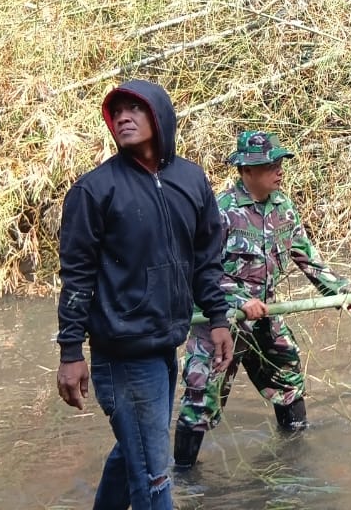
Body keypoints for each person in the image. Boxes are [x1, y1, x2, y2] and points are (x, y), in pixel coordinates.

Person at [56, 79, 233, 510]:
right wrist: (70, 352)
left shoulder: (190, 179)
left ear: (160, 115)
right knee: (155, 477)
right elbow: (76, 277)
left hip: (163, 345)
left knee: (133, 450)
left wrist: (219, 318)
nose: (123, 117)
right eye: (116, 111)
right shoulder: (95, 190)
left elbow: (206, 261)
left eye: (135, 108)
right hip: (121, 353)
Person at [173, 130, 351, 470]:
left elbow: (306, 256)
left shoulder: (283, 206)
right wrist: (239, 300)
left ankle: (295, 458)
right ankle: (184, 477)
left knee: (287, 371)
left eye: (279, 163)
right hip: (220, 319)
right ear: (245, 171)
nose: (279, 171)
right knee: (201, 395)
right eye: (269, 165)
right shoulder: (221, 211)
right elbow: (202, 272)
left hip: (265, 312)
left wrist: (339, 292)